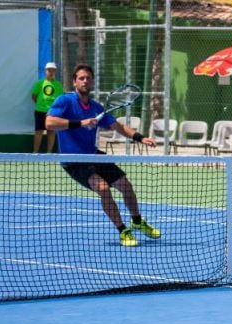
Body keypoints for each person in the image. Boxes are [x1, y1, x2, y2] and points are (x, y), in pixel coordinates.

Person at [45, 64, 161, 247]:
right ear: (75, 81)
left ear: (92, 81)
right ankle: (123, 231)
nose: (85, 81)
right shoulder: (64, 101)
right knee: (104, 189)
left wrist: (140, 137)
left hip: (93, 155)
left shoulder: (96, 107)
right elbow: (49, 123)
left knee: (125, 185)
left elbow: (118, 127)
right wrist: (81, 122)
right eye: (81, 78)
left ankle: (137, 221)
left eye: (88, 78)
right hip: (74, 161)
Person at [31, 62, 64, 153]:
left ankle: (49, 153)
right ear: (45, 71)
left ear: (55, 71)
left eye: (53, 70)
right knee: (38, 132)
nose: (51, 72)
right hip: (40, 111)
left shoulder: (58, 85)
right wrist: (40, 105)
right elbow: (34, 96)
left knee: (51, 132)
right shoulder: (40, 83)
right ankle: (35, 152)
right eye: (49, 70)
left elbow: (60, 99)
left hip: (52, 113)